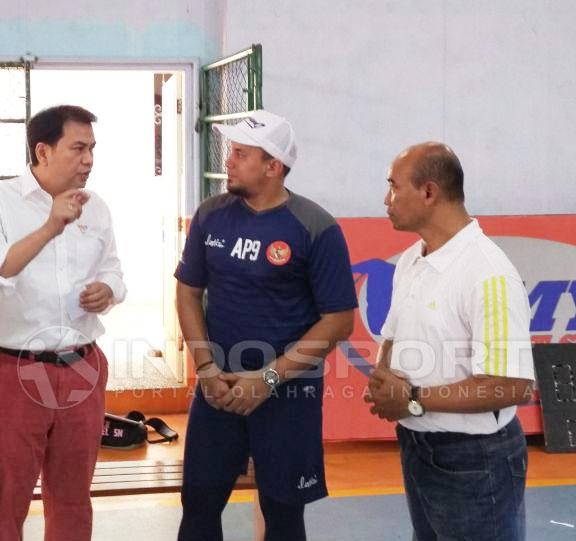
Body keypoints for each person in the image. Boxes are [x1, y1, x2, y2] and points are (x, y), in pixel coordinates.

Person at [175, 110, 357, 541]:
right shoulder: (210, 215)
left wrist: (268, 378)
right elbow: (187, 292)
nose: (229, 162)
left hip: (287, 394)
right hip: (217, 389)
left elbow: (339, 320)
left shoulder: (316, 227)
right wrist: (206, 369)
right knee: (198, 504)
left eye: (240, 154)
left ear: (273, 166)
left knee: (283, 512)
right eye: (230, 151)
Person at [0, 104, 126, 541]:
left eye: (92, 148)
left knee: (73, 497)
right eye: (78, 148)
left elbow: (113, 270)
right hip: (12, 369)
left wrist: (107, 291)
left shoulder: (97, 209)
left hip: (82, 367)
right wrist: (51, 226)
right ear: (43, 150)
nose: (89, 159)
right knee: (3, 499)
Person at [365, 142, 534, 541]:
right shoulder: (411, 259)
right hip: (418, 445)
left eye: (393, 187)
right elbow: (392, 334)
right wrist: (384, 379)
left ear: (428, 193)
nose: (385, 199)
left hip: (474, 461)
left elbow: (512, 385)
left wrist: (410, 397)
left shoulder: (488, 273)